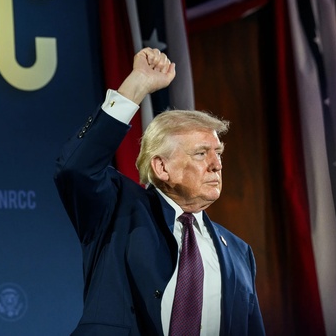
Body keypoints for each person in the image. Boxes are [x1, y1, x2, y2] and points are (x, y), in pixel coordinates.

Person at [55, 47, 265, 336]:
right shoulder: (116, 209)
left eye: (218, 153)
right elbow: (76, 168)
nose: (217, 164)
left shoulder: (240, 253)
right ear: (162, 167)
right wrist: (138, 84)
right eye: (201, 153)